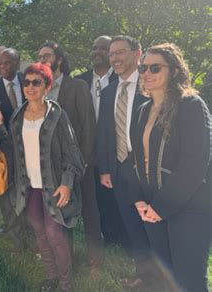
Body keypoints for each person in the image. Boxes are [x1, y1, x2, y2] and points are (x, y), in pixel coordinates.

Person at [130, 43, 211, 291]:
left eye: (155, 67)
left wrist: (161, 206)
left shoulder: (191, 105)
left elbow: (194, 164)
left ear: (174, 71)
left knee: (189, 280)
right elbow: (136, 160)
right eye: (143, 67)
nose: (147, 73)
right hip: (152, 207)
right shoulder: (144, 109)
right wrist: (140, 200)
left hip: (189, 209)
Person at [0, 63, 84, 292]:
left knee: (55, 234)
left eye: (37, 82)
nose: (30, 87)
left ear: (47, 86)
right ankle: (51, 276)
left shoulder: (57, 115)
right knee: (39, 232)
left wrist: (67, 183)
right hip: (30, 186)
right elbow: (11, 148)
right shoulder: (17, 116)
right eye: (26, 82)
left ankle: (66, 284)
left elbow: (72, 152)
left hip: (53, 186)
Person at [38, 42, 102, 276]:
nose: (43, 59)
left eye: (47, 55)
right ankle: (70, 259)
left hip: (80, 162)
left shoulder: (77, 86)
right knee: (65, 214)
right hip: (55, 166)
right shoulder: (42, 88)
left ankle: (96, 261)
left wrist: (84, 162)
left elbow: (88, 126)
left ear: (60, 60)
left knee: (90, 213)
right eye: (40, 56)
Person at [96, 35, 152, 289]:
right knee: (131, 225)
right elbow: (105, 132)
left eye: (120, 52)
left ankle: (167, 276)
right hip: (119, 170)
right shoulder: (108, 91)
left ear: (137, 53)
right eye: (111, 54)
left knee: (154, 225)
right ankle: (144, 274)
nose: (115, 58)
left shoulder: (151, 84)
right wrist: (105, 169)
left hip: (147, 169)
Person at [0, 48, 33, 252]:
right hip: (5, 151)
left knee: (30, 191)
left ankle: (33, 233)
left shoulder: (29, 81)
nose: (2, 67)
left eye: (7, 63)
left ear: (18, 63)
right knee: (7, 195)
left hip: (31, 146)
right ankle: (17, 239)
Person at [75, 36, 127, 250]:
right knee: (93, 195)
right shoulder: (80, 81)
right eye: (94, 47)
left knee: (115, 195)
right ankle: (101, 234)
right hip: (87, 149)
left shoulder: (122, 79)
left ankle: (120, 237)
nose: (97, 51)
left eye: (103, 48)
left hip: (115, 147)